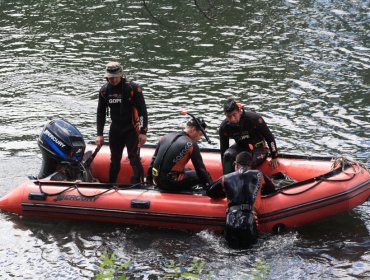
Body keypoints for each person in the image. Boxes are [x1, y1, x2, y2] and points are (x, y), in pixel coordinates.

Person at [206, 151, 273, 249]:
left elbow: (210, 192)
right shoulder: (259, 174)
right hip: (249, 219)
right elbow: (271, 189)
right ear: (250, 165)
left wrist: (226, 192)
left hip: (231, 219)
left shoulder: (226, 178)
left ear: (236, 165)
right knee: (250, 256)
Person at [96, 62, 148, 183]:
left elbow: (143, 111)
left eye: (115, 76)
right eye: (110, 77)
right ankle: (111, 185)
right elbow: (100, 113)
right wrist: (99, 134)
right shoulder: (104, 90)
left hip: (131, 129)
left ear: (121, 75)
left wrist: (143, 131)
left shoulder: (133, 88)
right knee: (114, 159)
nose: (112, 79)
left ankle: (140, 184)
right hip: (115, 130)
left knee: (134, 158)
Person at [146, 117, 213, 191]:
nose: (200, 138)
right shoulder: (191, 144)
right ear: (193, 130)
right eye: (200, 134)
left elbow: (153, 160)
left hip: (157, 180)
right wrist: (210, 188)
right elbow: (201, 170)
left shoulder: (165, 137)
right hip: (169, 184)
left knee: (188, 170)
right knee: (205, 175)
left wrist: (149, 181)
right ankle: (207, 192)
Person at [219, 99, 279, 174]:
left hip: (259, 148)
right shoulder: (224, 127)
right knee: (227, 155)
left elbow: (269, 137)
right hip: (241, 147)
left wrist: (274, 156)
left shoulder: (254, 119)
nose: (233, 119)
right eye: (229, 116)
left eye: (234, 115)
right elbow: (223, 149)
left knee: (245, 162)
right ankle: (227, 181)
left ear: (239, 112)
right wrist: (225, 164)